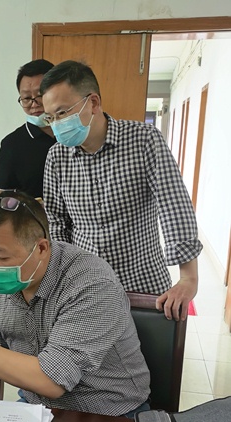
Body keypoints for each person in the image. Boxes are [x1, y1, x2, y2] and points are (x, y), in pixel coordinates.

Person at [0, 191, 150, 417]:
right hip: (37, 408)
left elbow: (52, 381)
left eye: (2, 256)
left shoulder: (91, 284)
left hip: (108, 414)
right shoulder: (6, 283)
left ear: (41, 248)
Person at [39, 60, 202, 322]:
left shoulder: (143, 140)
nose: (57, 124)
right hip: (86, 287)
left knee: (148, 348)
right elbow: (58, 222)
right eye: (51, 117)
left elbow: (174, 206)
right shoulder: (57, 157)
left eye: (62, 113)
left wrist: (188, 278)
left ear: (93, 103)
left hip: (143, 283)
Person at [0, 59, 55, 198]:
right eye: (27, 98)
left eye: (40, 95)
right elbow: (2, 197)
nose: (34, 104)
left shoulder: (75, 133)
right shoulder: (12, 145)